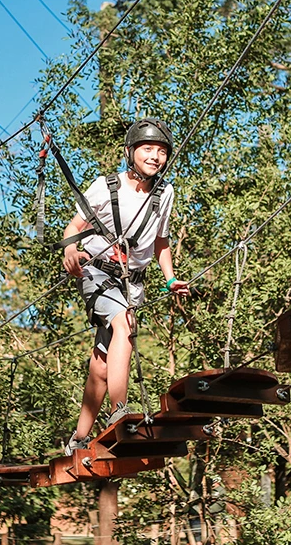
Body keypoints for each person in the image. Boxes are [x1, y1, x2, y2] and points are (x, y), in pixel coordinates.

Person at [61, 119, 191, 456]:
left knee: (103, 363)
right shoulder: (105, 187)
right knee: (124, 325)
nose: (155, 157)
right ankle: (120, 409)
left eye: (161, 151)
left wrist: (170, 277)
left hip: (132, 282)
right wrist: (69, 250)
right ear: (130, 152)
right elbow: (73, 228)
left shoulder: (165, 194)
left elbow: (160, 241)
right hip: (98, 272)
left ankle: (78, 437)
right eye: (148, 149)